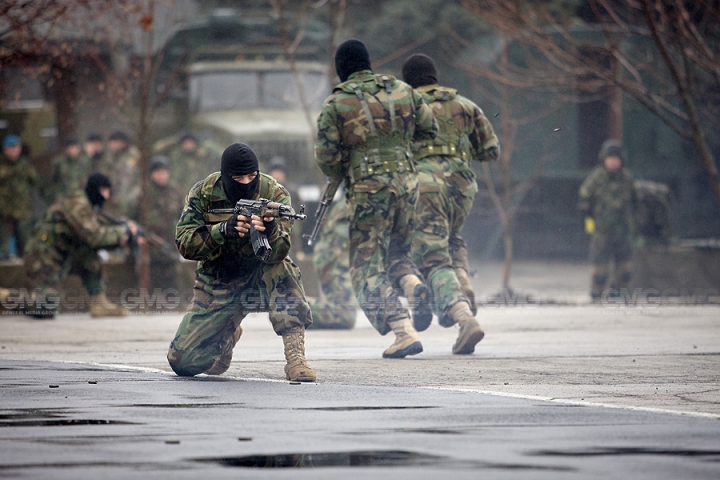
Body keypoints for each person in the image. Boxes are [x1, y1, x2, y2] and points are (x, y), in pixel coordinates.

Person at [314, 39, 438, 358]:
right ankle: (413, 286)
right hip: (409, 185)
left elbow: (326, 159)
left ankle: (402, 330)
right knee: (397, 252)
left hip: (370, 191)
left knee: (365, 268)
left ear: (341, 70)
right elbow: (430, 129)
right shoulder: (401, 89)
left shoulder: (336, 103)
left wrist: (352, 161)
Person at [167, 142, 316, 381]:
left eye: (252, 176)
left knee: (284, 268)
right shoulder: (204, 192)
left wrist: (271, 232)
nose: (246, 182)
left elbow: (281, 251)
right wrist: (221, 231)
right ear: (226, 176)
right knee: (182, 362)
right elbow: (184, 243)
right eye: (238, 177)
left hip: (260, 276)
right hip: (219, 280)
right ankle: (227, 334)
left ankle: (296, 358)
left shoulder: (275, 193)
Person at [402, 54, 500, 354]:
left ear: (408, 79)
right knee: (452, 238)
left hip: (427, 186)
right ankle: (463, 280)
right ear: (434, 76)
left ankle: (463, 318)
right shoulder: (465, 105)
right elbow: (490, 151)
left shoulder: (405, 106)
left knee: (432, 258)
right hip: (462, 184)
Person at [23, 173, 140, 319]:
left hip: (61, 255)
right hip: (42, 257)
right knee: (45, 306)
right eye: (104, 191)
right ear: (95, 189)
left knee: (88, 253)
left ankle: (99, 302)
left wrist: (123, 238)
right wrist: (123, 232)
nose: (107, 196)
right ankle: (6, 296)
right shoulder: (77, 204)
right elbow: (94, 236)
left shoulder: (88, 207)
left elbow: (95, 240)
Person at [578, 140, 637, 301]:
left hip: (623, 232)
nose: (613, 161)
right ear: (604, 159)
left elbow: (635, 202)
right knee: (600, 273)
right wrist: (591, 219)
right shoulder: (597, 178)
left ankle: (620, 295)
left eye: (616, 158)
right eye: (610, 158)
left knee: (624, 271)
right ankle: (597, 296)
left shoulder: (627, 179)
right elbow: (585, 200)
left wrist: (635, 223)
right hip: (602, 231)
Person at [307, 198, 357, 329]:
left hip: (342, 257)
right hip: (335, 258)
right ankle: (289, 309)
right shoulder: (352, 202)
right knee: (345, 315)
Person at [145, 156, 184, 293]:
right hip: (150, 246)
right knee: (153, 279)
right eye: (158, 172)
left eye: (164, 172)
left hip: (171, 244)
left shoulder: (176, 192)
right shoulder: (143, 194)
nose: (162, 175)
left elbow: (184, 215)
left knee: (173, 278)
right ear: (152, 174)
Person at [0, 134, 38, 259]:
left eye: (16, 148)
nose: (14, 151)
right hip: (4, 212)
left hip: (23, 211)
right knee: (4, 247)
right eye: (11, 148)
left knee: (26, 245)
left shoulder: (25, 165)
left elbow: (35, 181)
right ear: (5, 149)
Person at [154, 131, 222, 194]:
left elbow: (220, 154)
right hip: (182, 190)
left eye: (190, 142)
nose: (188, 145)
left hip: (202, 188)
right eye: (185, 143)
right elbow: (157, 148)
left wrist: (206, 142)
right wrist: (175, 139)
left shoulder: (203, 153)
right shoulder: (178, 156)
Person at [105, 129, 141, 219]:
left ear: (121, 142)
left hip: (130, 199)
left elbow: (136, 177)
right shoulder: (111, 157)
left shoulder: (132, 155)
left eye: (114, 142)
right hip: (115, 200)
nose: (111, 145)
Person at [46, 137, 89, 203]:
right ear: (66, 149)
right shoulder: (59, 163)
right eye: (70, 148)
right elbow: (52, 181)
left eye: (75, 147)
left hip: (79, 198)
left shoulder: (84, 162)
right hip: (63, 198)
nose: (72, 150)